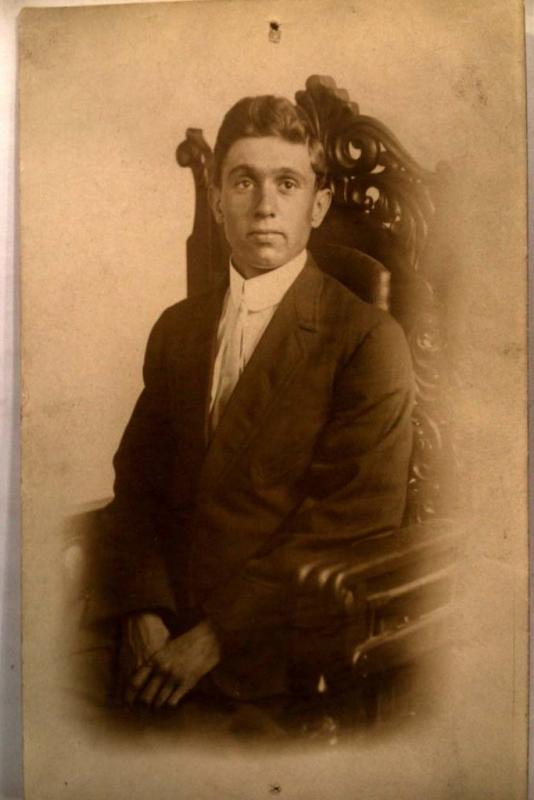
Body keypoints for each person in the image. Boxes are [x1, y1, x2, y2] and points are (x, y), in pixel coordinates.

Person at [92, 94, 415, 715]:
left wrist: (213, 638)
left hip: (270, 655)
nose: (264, 205)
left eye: (287, 183)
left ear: (317, 205)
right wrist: (142, 609)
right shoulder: (177, 328)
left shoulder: (369, 341)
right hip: (153, 629)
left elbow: (349, 524)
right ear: (217, 200)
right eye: (244, 181)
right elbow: (136, 481)